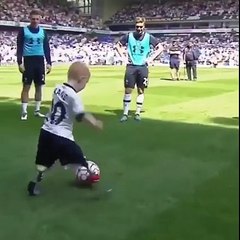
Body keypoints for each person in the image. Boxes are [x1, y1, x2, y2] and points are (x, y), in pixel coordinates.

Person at [27, 62, 103, 196]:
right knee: (79, 158)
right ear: (82, 79)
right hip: (62, 137)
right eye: (86, 83)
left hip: (46, 131)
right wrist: (94, 122)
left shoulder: (57, 88)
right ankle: (92, 181)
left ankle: (34, 184)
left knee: (43, 164)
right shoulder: (75, 97)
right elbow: (81, 115)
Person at [116, 17, 163, 122]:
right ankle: (125, 113)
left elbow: (160, 48)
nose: (139, 29)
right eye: (137, 27)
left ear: (144, 27)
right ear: (135, 27)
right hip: (131, 66)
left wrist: (150, 59)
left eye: (141, 27)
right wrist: (123, 58)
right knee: (128, 90)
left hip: (142, 67)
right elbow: (118, 45)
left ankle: (137, 112)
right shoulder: (129, 36)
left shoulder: (149, 37)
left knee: (141, 90)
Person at [17, 9, 52, 120]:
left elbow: (46, 48)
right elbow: (19, 47)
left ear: (40, 19)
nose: (35, 21)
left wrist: (49, 62)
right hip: (28, 60)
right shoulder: (23, 31)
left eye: (37, 19)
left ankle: (37, 110)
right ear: (29, 18)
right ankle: (24, 111)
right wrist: (19, 62)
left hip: (40, 61)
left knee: (39, 86)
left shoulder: (43, 32)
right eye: (33, 19)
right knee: (26, 86)